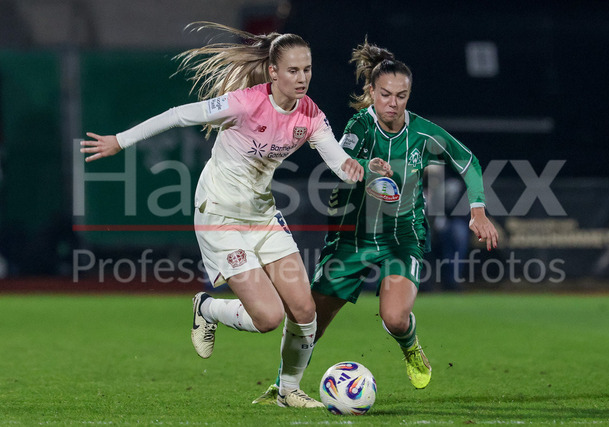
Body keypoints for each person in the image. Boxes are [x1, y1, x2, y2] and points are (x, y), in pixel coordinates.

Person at [80, 23, 391, 408]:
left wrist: (366, 169)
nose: (302, 78)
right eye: (293, 70)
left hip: (262, 214)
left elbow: (341, 165)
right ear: (273, 72)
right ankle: (206, 307)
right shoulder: (244, 102)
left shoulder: (310, 114)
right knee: (268, 318)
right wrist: (120, 141)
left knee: (305, 310)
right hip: (219, 215)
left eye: (307, 69)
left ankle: (288, 391)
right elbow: (179, 115)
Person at [253, 38, 499, 404]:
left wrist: (477, 210)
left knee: (395, 318)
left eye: (401, 96)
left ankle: (410, 345)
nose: (393, 103)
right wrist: (366, 168)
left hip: (402, 237)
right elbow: (342, 160)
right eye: (385, 94)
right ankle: (284, 386)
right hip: (351, 239)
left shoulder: (423, 133)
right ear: (371, 92)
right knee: (310, 321)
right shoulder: (361, 126)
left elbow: (468, 162)